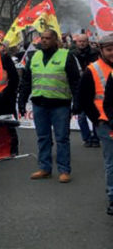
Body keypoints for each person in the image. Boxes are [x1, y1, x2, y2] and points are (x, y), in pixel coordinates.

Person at [18, 30, 80, 183]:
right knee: (43, 138)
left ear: (55, 40)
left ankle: (64, 170)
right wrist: (22, 101)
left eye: (48, 38)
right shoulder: (34, 57)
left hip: (60, 105)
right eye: (42, 38)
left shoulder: (66, 56)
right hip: (39, 104)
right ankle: (44, 168)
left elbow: (75, 82)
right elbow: (26, 81)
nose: (44, 41)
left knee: (62, 139)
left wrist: (77, 102)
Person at [82, 34, 113, 215]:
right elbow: (85, 99)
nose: (112, 53)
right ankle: (112, 197)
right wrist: (97, 120)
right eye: (109, 50)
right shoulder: (92, 69)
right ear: (101, 50)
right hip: (106, 123)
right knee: (111, 162)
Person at [71, 33, 101, 147]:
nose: (82, 43)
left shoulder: (95, 53)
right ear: (76, 42)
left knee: (94, 115)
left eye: (84, 41)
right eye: (79, 41)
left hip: (93, 87)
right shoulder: (72, 55)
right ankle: (86, 138)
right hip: (79, 88)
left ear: (87, 41)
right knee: (81, 116)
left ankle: (96, 138)